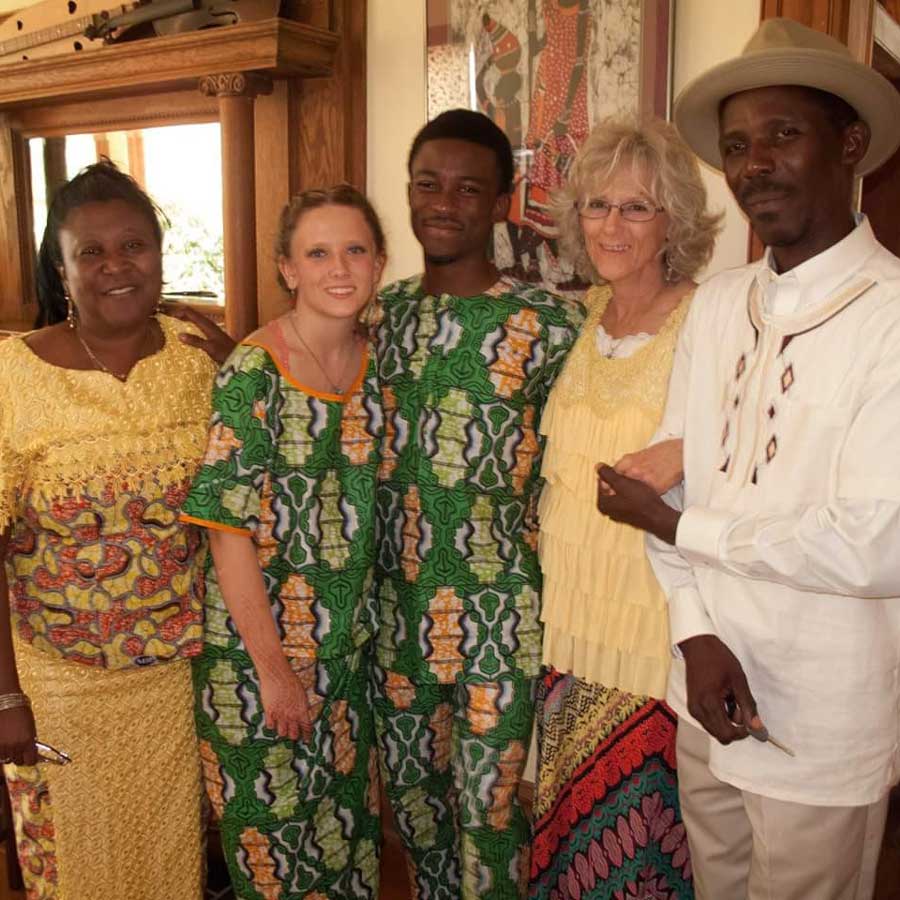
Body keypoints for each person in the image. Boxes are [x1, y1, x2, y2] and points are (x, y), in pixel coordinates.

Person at [595, 18, 900, 900]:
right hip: (707, 681)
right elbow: (668, 475)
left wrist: (684, 527)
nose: (754, 163)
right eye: (736, 145)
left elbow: (878, 543)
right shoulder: (723, 304)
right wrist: (694, 630)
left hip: (822, 703)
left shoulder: (888, 315)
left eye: (782, 134)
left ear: (851, 146)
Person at [0, 160, 230, 900]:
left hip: (173, 680)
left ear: (161, 254)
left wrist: (246, 367)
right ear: (60, 269)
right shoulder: (12, 376)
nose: (116, 267)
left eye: (133, 245)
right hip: (55, 681)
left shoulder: (199, 363)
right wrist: (4, 699)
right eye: (90, 253)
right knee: (75, 873)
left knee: (168, 871)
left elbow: (254, 492)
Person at [373, 108, 582, 898]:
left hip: (502, 613)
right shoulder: (373, 315)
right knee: (417, 819)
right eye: (428, 183)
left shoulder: (552, 323)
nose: (443, 202)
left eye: (468, 188)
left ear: (501, 203)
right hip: (395, 618)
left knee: (490, 821)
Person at [529, 117, 720, 900]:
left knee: (638, 849)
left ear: (673, 219)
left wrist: (690, 448)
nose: (612, 225)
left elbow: (757, 451)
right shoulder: (578, 322)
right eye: (598, 205)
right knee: (571, 836)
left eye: (637, 208)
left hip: (655, 632)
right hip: (570, 624)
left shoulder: (709, 321)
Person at [181, 184, 386, 900]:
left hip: (347, 657)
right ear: (288, 269)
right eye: (318, 252)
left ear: (379, 263)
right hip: (255, 666)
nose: (340, 268)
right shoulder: (253, 372)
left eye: (355, 249)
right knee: (275, 859)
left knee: (347, 845)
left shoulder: (376, 360)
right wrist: (274, 671)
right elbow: (227, 535)